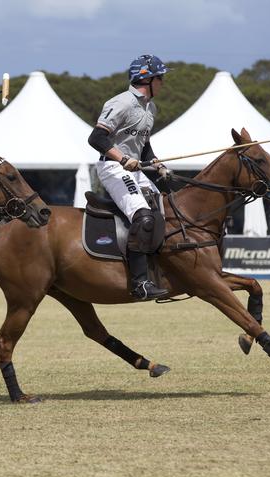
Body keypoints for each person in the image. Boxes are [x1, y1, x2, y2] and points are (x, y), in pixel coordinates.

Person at [87, 54, 171, 301]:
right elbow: (96, 138)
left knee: (162, 210)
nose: (163, 83)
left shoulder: (150, 107)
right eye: (161, 78)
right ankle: (140, 283)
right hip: (113, 168)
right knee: (143, 217)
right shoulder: (121, 102)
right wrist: (123, 159)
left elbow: (142, 145)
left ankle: (159, 273)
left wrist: (155, 162)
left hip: (135, 169)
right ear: (148, 79)